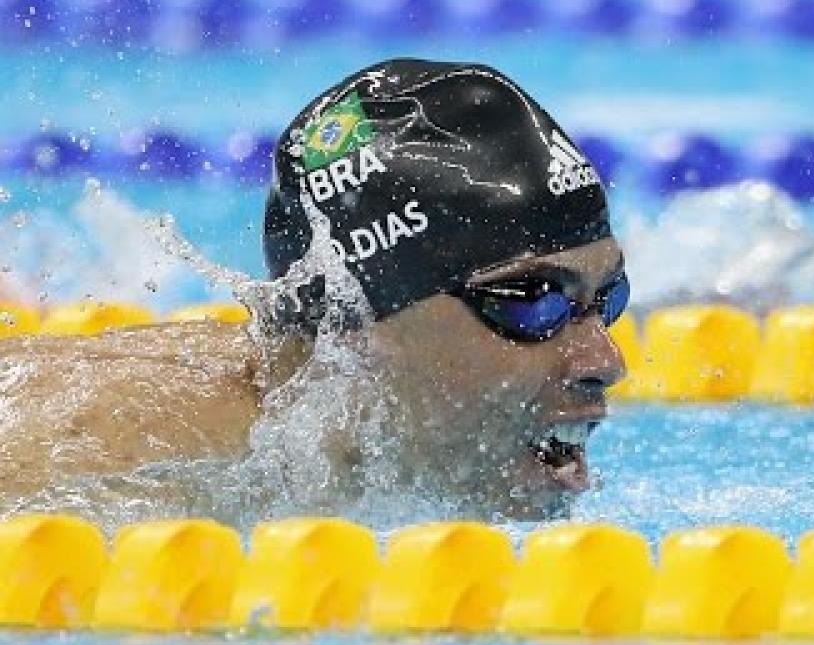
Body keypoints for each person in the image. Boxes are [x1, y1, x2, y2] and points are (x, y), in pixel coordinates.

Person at [0, 58, 628, 522]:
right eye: (532, 301)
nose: (606, 362)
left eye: (609, 299)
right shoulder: (107, 466)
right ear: (352, 324)